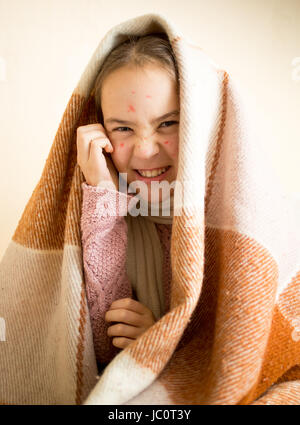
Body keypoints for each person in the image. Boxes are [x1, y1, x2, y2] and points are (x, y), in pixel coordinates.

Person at [77, 33, 179, 369]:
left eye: (168, 123)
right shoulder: (95, 212)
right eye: (122, 129)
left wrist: (163, 347)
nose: (147, 150)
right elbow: (93, 359)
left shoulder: (242, 225)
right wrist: (104, 196)